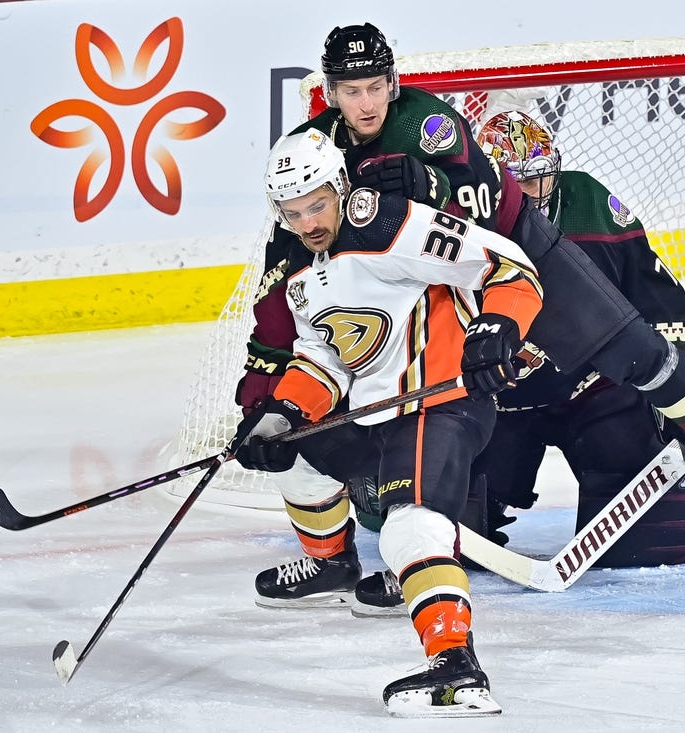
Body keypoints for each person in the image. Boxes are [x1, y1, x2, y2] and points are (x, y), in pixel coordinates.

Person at [237, 23, 685, 609]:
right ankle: (411, 551)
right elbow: (286, 280)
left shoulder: (427, 123)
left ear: (393, 82)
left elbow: (485, 205)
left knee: (640, 358)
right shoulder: (314, 156)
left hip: (518, 253)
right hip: (450, 277)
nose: (365, 102)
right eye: (350, 90)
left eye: (374, 86)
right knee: (424, 426)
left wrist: (427, 183)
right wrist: (263, 392)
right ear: (330, 91)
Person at [232, 128, 542, 715]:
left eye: (317, 203)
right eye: (292, 212)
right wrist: (283, 411)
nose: (308, 221)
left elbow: (509, 267)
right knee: (296, 455)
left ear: (340, 186)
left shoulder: (387, 224)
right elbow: (325, 355)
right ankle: (332, 565)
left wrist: (498, 325)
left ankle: (456, 670)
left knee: (408, 528)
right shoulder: (300, 268)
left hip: (438, 401)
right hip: (375, 413)